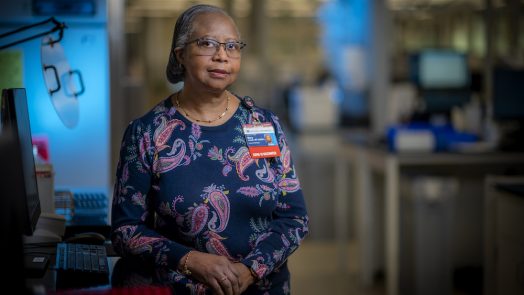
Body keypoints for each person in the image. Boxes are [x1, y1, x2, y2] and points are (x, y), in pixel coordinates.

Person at [110, 4, 309, 295]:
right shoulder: (148, 132)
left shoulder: (262, 125)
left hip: (263, 288)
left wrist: (250, 269)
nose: (222, 55)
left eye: (232, 46)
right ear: (181, 54)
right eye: (207, 44)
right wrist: (192, 261)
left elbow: (294, 217)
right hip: (179, 288)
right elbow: (125, 231)